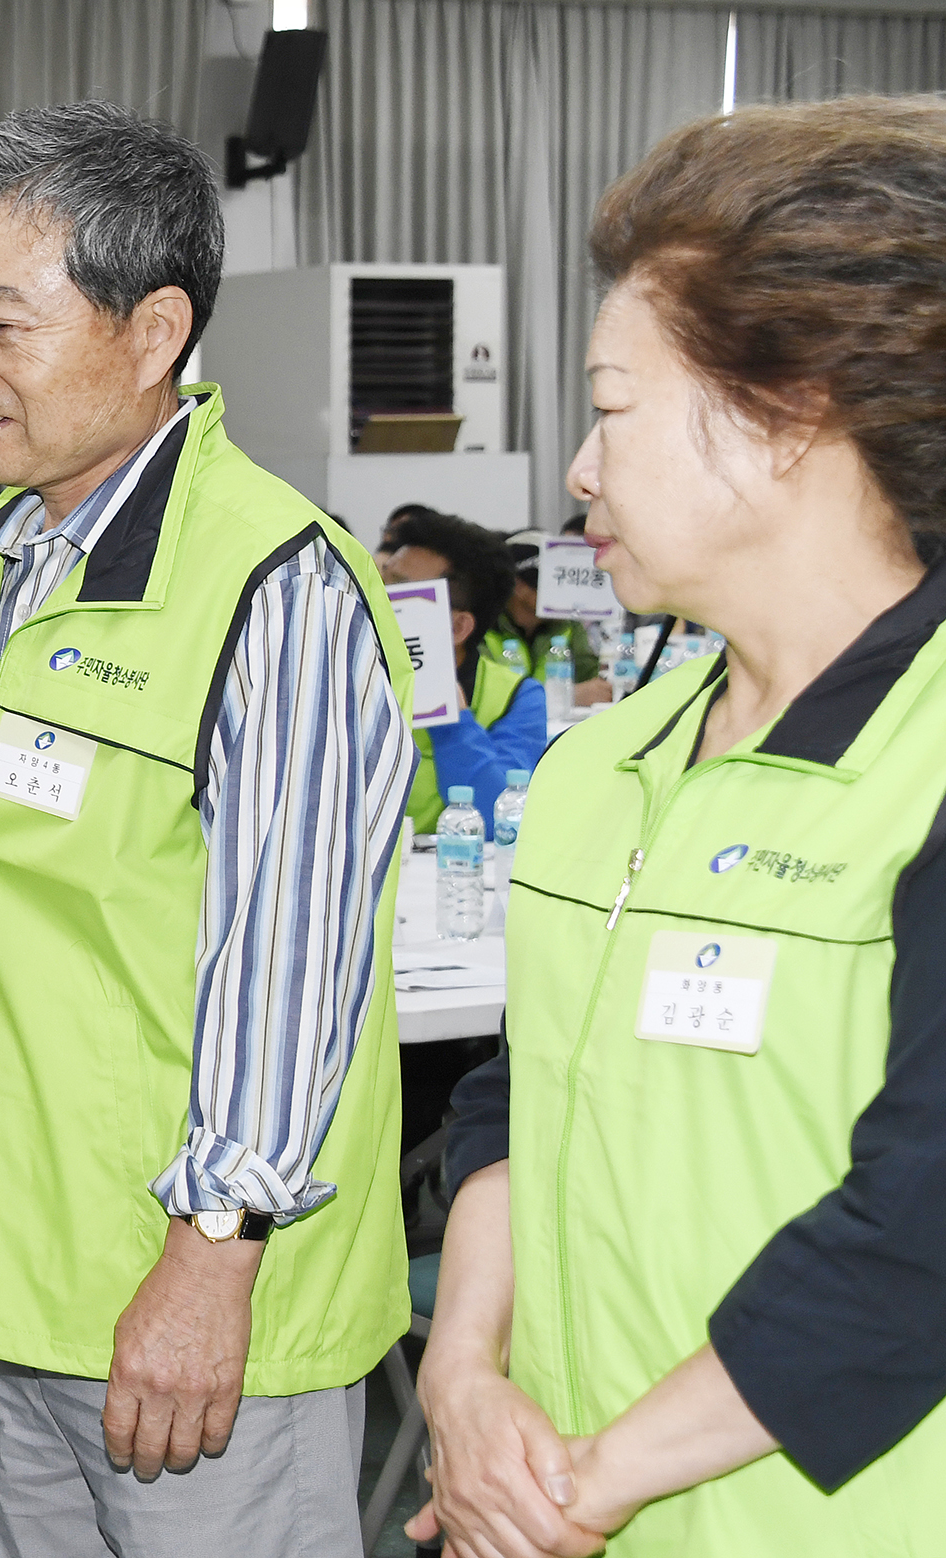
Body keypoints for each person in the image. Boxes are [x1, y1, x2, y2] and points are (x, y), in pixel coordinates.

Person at [0, 102, 413, 1558]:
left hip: (186, 1303)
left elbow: (289, 960)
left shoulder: (271, 584)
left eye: (4, 323)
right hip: (22, 1267)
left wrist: (210, 1258)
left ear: (153, 326)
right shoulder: (7, 555)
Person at [412, 98, 946, 1558]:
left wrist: (569, 1489)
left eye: (614, 408)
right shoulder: (607, 768)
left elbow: (916, 1239)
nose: (578, 470)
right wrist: (462, 1385)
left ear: (788, 415)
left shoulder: (923, 762)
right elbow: (506, 1107)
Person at [381, 508, 545, 833]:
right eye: (379, 582)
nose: (374, 600)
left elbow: (498, 817)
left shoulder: (515, 697)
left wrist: (451, 724)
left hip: (449, 874)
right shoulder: (341, 672)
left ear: (457, 627)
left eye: (397, 591)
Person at [497, 529, 607, 701]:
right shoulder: (483, 629)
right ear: (517, 585)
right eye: (551, 582)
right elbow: (484, 697)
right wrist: (567, 697)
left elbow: (590, 676)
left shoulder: (567, 625)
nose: (562, 592)